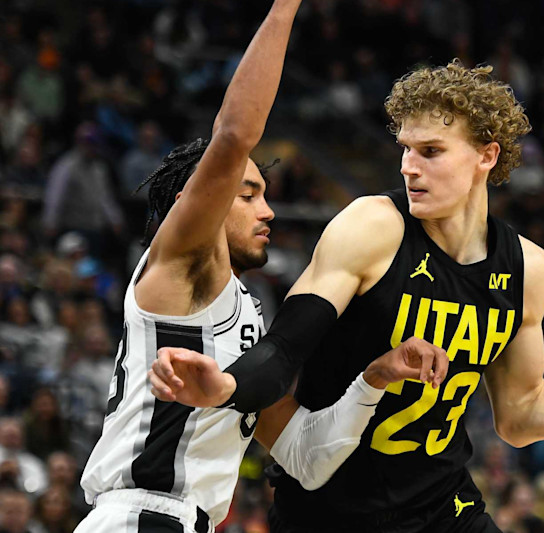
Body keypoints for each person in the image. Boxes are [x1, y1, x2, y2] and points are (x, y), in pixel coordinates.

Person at [151, 60, 544, 532]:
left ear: (486, 156)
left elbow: (521, 414)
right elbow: (284, 350)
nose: (411, 167)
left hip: (442, 508)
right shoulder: (372, 226)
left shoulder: (528, 269)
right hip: (330, 512)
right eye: (406, 150)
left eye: (431, 152)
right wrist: (229, 387)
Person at [76, 2, 447, 532]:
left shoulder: (245, 326)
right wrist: (285, 7)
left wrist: (375, 379)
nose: (268, 210)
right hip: (141, 516)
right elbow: (233, 135)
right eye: (248, 195)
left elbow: (305, 458)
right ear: (195, 201)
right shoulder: (177, 269)